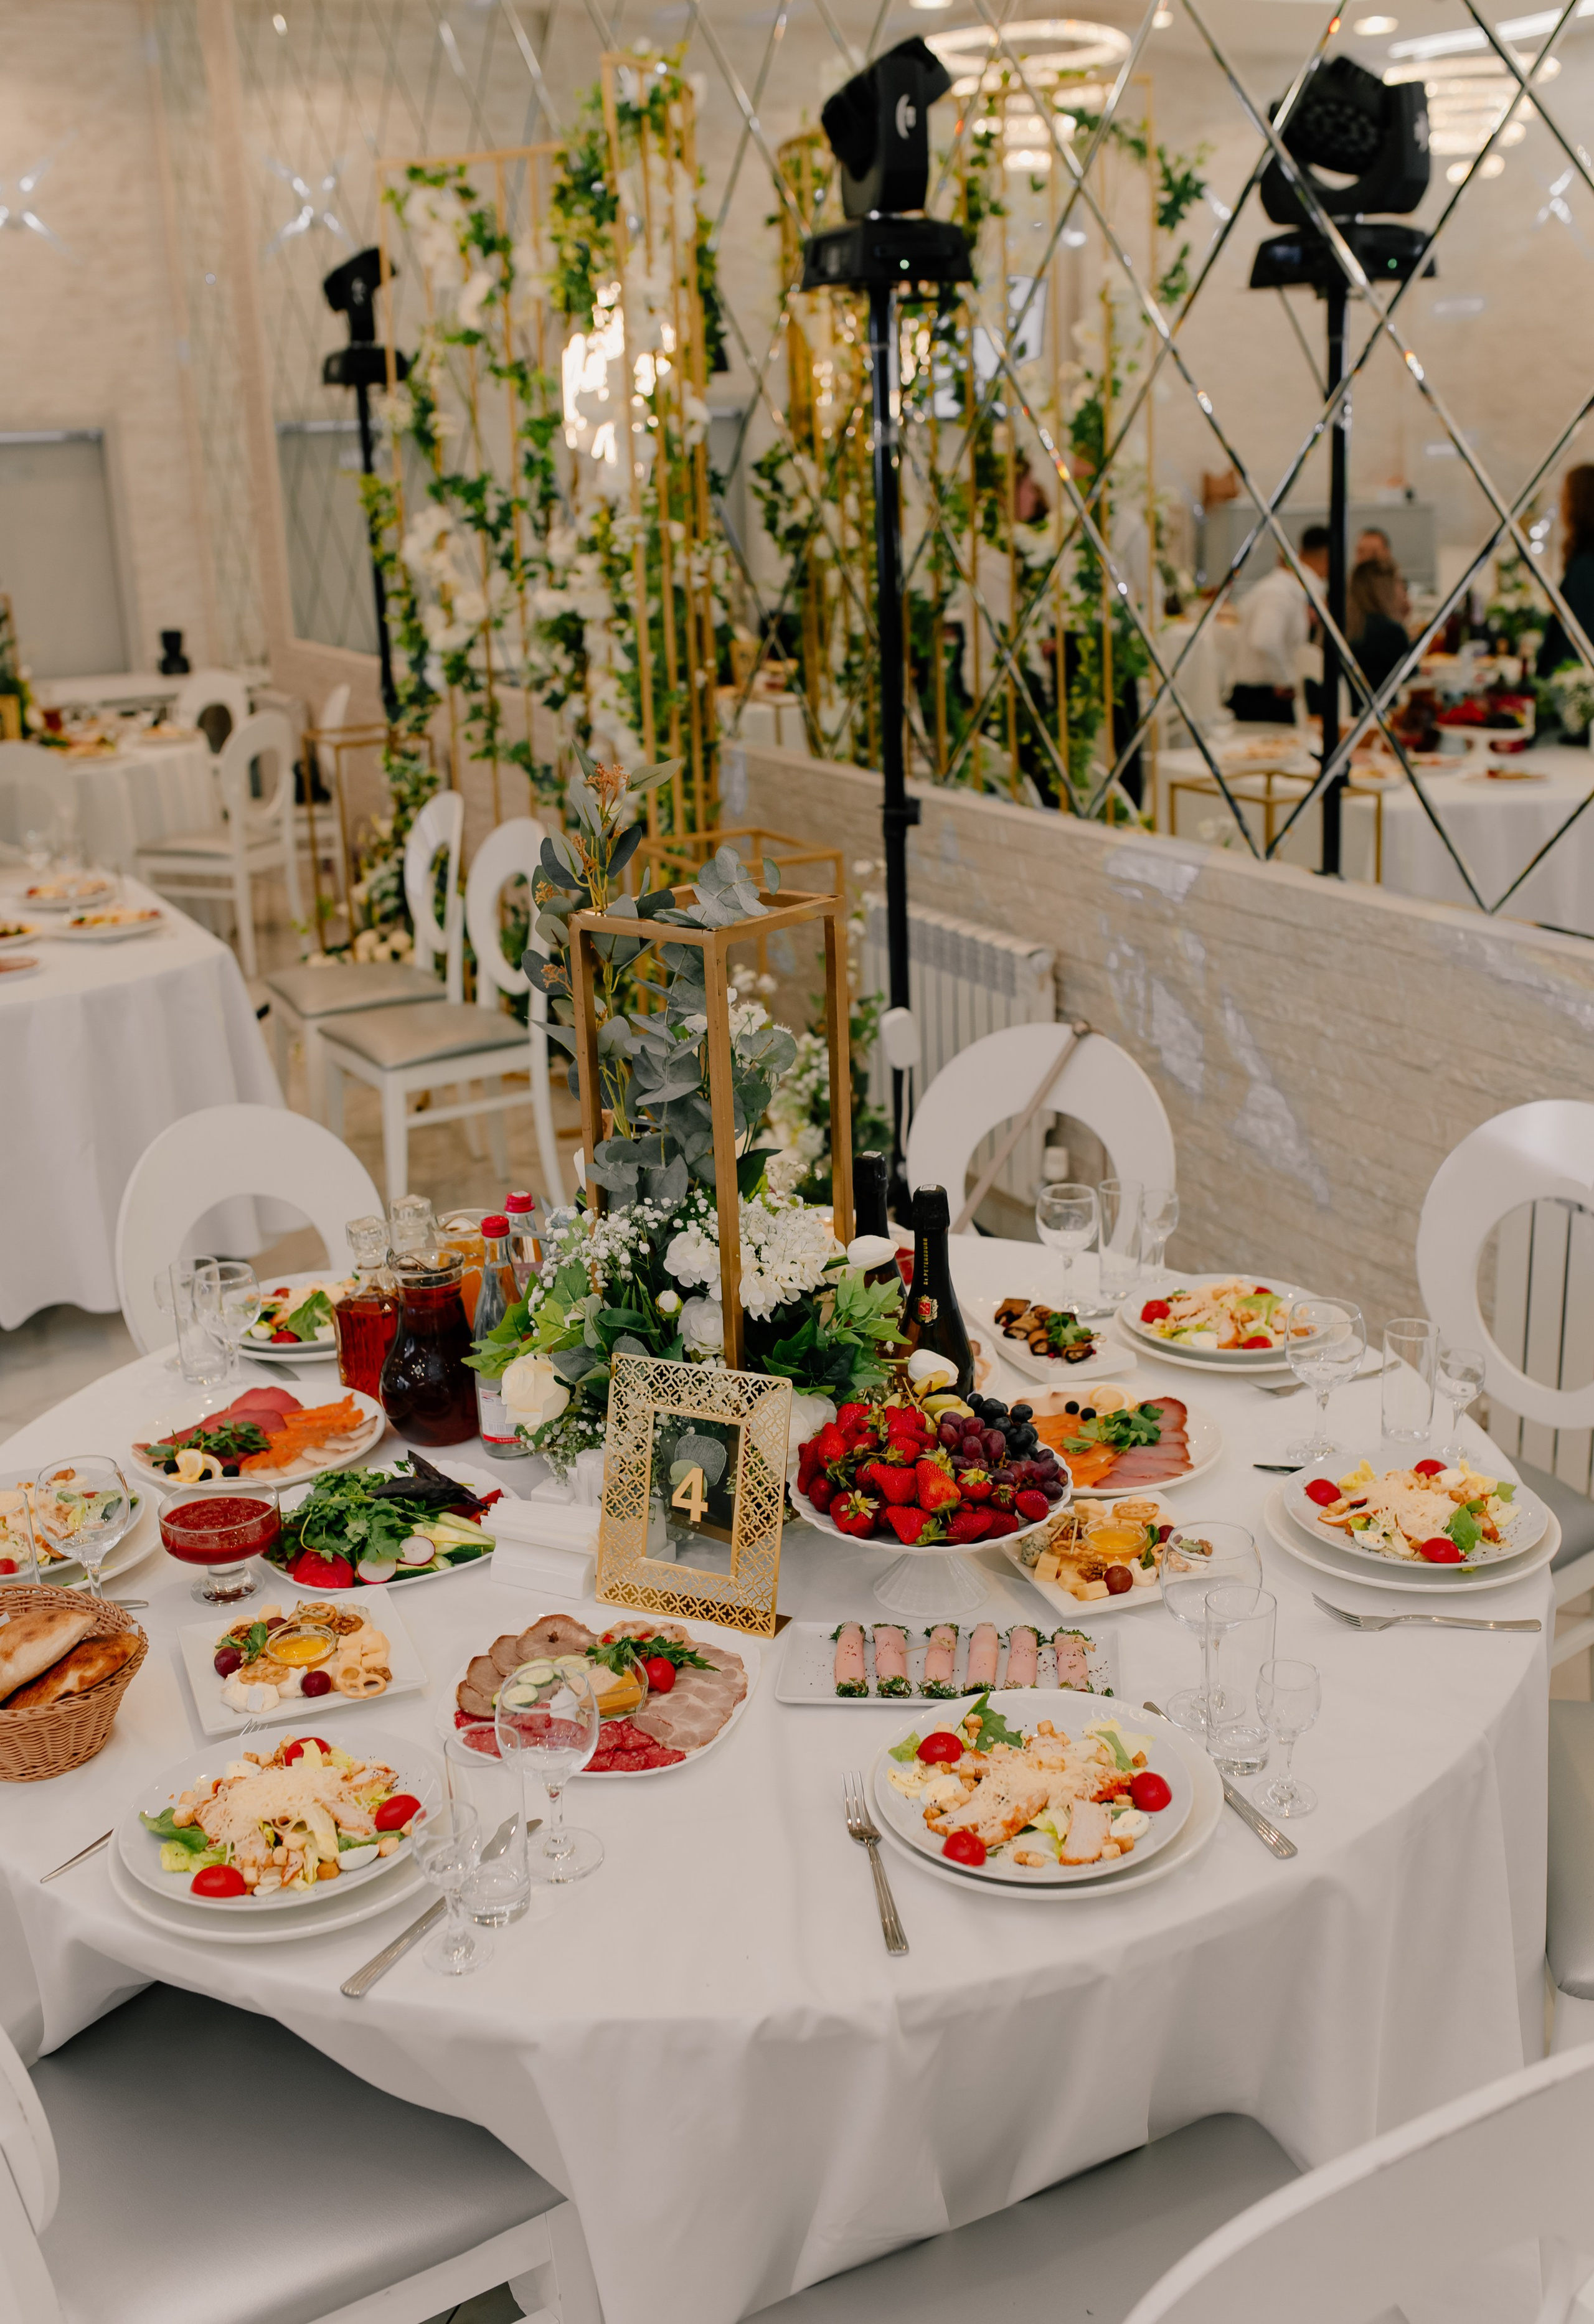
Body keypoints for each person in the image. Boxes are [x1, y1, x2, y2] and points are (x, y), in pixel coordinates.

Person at [1228, 525, 1330, 722]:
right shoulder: (1280, 592)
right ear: (1326, 558)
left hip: (1265, 695)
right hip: (1262, 699)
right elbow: (1264, 639)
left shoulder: (1285, 588)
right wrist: (1286, 679)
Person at [1536, 464, 1594, 683]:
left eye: (1565, 497)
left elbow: (1570, 645)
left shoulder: (1585, 567)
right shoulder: (1583, 560)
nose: (1562, 504)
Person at [1347, 557, 1411, 697]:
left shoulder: (1344, 627)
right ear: (1387, 588)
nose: (1404, 590)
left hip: (1343, 711)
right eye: (1399, 583)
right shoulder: (1391, 632)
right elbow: (1412, 678)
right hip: (1378, 711)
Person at [1355, 524, 1409, 620]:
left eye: (1374, 553)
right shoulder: (1347, 591)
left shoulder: (1397, 588)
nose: (1367, 559)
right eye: (1361, 552)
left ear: (1387, 553)